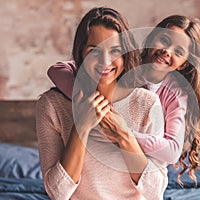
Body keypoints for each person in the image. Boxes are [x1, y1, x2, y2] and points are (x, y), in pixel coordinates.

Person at [48, 14, 200, 186]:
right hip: (99, 168)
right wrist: (90, 101)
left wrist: (123, 134)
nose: (166, 51)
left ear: (184, 63)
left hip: (141, 172)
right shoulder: (124, 61)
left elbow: (172, 152)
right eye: (164, 40)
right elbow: (57, 70)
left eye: (178, 52)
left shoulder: (176, 94)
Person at [36, 7, 167, 200]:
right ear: (80, 53)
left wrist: (124, 136)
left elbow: (156, 192)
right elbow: (58, 193)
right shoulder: (52, 105)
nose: (105, 61)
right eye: (94, 50)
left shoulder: (147, 103)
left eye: (115, 50)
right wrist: (81, 125)